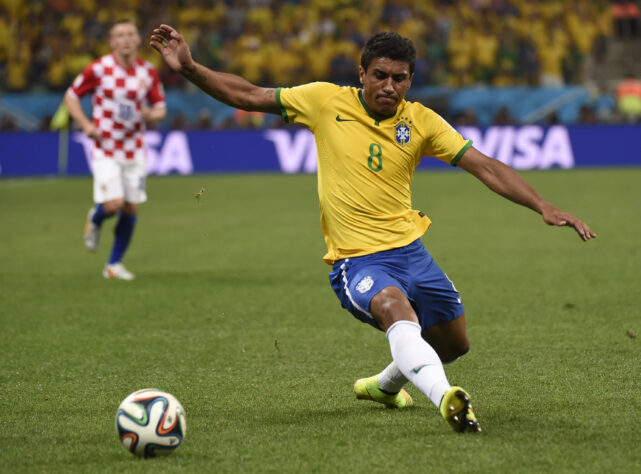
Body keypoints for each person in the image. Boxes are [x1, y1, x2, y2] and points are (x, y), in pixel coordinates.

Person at [150, 25, 596, 432]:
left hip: (412, 252)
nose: (389, 86)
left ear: (409, 81)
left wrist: (543, 205)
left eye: (400, 78)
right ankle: (448, 401)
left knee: (455, 344)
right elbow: (248, 94)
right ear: (361, 74)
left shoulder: (420, 121)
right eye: (380, 75)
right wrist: (189, 67)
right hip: (356, 258)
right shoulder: (325, 101)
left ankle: (384, 386)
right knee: (395, 310)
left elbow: (485, 166)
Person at [65, 20, 167, 280]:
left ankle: (113, 265)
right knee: (113, 205)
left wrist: (149, 113)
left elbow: (161, 108)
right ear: (111, 42)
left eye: (130, 34)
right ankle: (96, 218)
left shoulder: (147, 71)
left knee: (131, 208)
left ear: (137, 39)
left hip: (134, 148)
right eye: (119, 35)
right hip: (105, 146)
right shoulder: (98, 69)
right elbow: (71, 96)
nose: (125, 39)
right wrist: (86, 124)